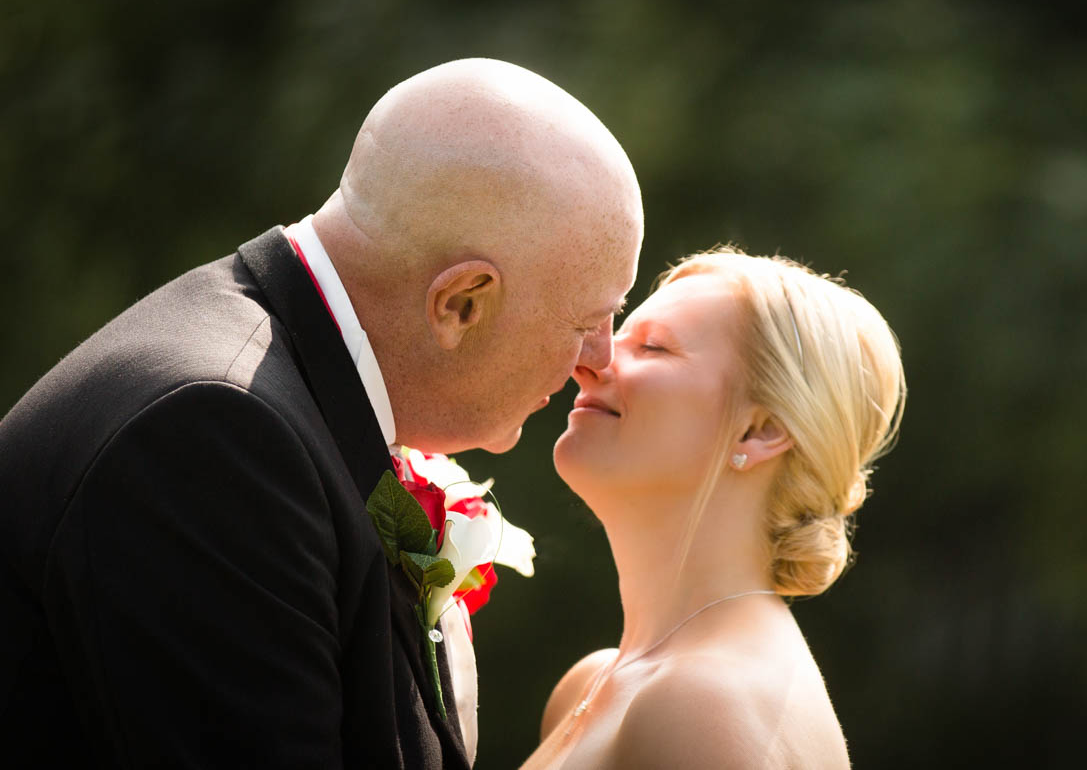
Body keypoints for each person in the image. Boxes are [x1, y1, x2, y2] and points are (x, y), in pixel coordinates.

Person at [0, 58, 642, 768]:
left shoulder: (283, 404)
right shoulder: (215, 437)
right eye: (591, 318)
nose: (600, 360)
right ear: (460, 304)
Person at [525, 248, 907, 768]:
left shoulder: (702, 704)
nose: (588, 363)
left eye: (654, 347)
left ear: (761, 430)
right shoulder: (591, 686)